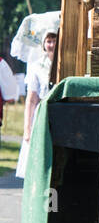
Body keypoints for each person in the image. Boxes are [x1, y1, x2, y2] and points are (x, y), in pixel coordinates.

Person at [16, 29, 57, 180]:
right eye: (49, 41)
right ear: (44, 44)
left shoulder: (66, 63)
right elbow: (31, 99)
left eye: (54, 40)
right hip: (43, 115)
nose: (52, 44)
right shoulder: (36, 67)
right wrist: (27, 129)